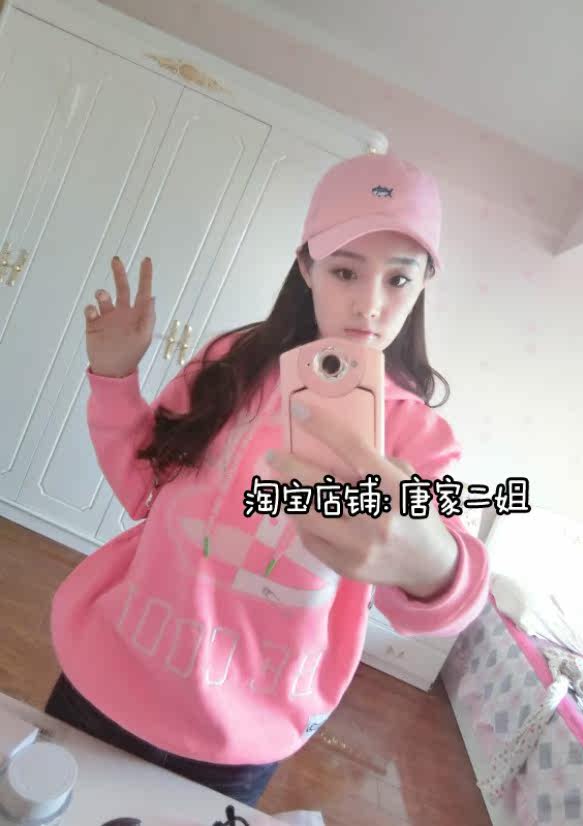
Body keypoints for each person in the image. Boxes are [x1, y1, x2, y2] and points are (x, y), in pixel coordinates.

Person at [44, 152, 490, 808]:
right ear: (307, 267)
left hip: (242, 734)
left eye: (399, 278)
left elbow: (439, 593)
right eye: (344, 271)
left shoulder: (420, 441)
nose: (369, 305)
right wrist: (114, 379)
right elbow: (144, 489)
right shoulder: (231, 362)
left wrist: (435, 567)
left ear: (424, 283)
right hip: (109, 672)